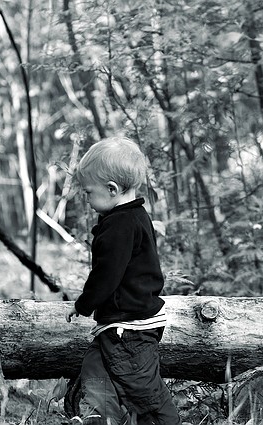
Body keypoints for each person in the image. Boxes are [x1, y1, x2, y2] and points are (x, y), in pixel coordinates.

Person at [65, 137, 180, 425]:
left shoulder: (119, 225)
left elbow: (106, 275)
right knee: (95, 367)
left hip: (129, 329)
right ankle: (101, 416)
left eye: (88, 192)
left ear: (112, 189)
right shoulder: (135, 216)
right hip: (119, 325)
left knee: (142, 389)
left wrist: (83, 304)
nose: (86, 198)